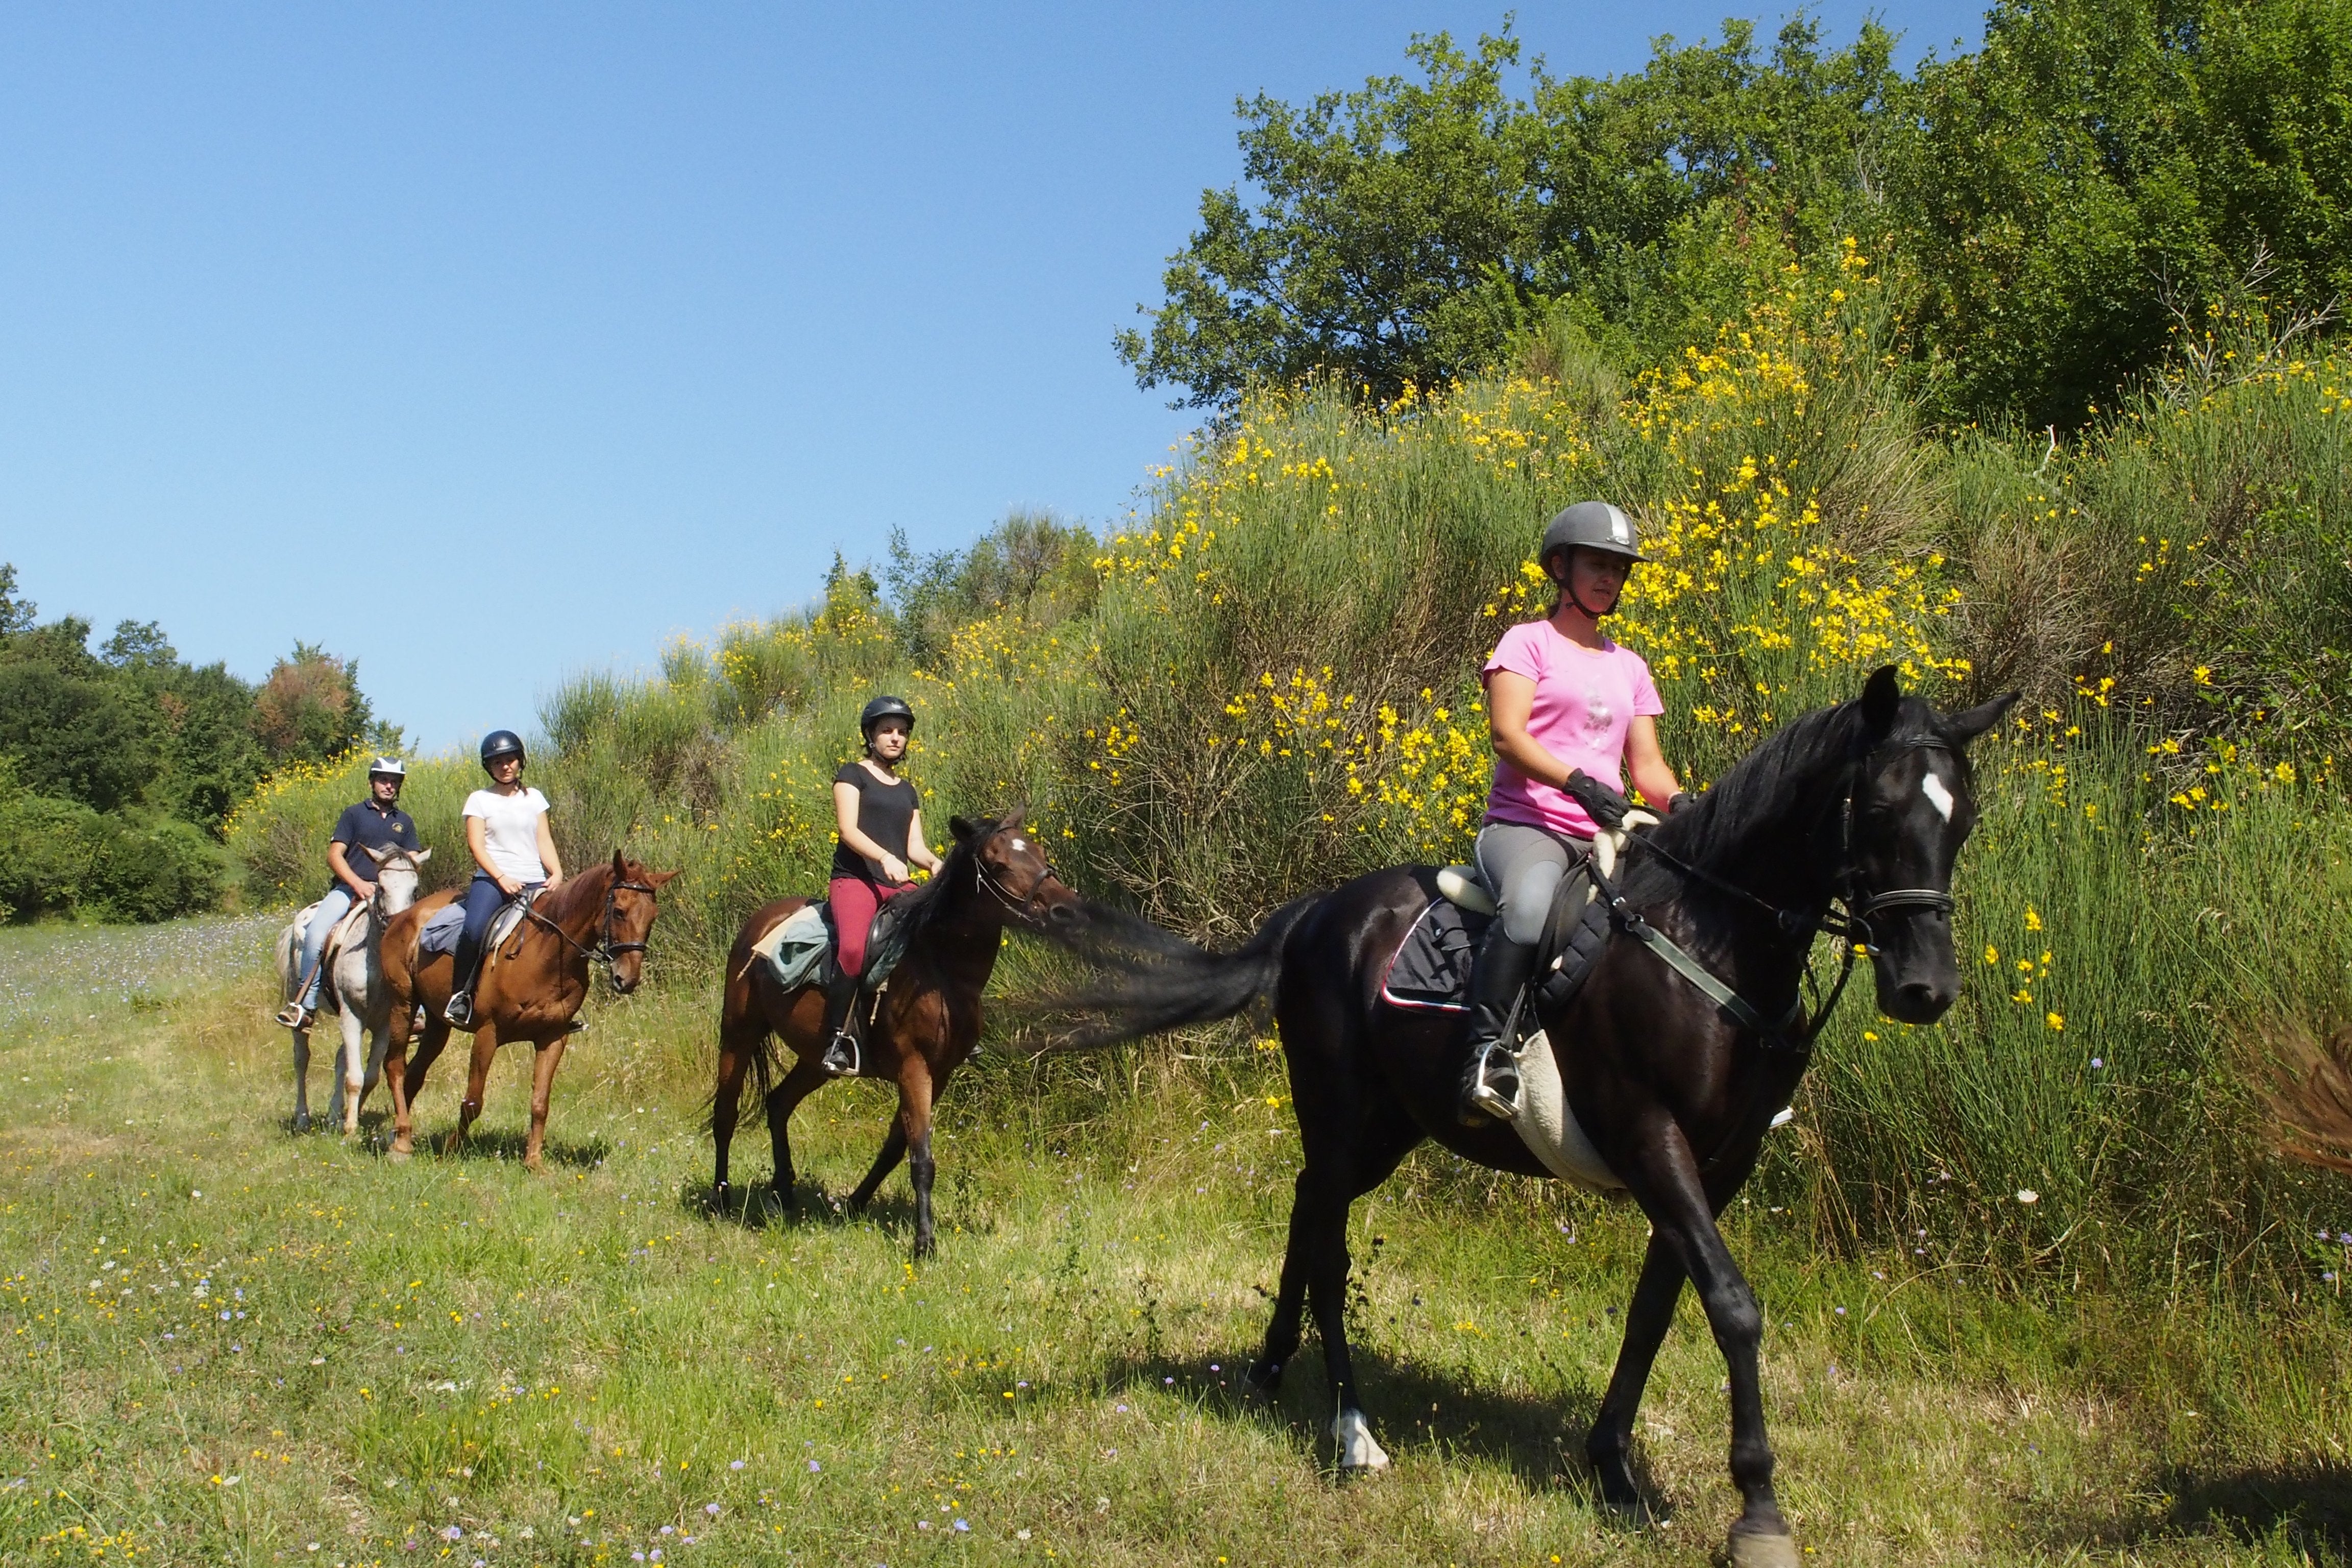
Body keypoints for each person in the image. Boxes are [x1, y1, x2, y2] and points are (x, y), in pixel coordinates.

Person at [1459, 500, 1690, 1125]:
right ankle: (1489, 1054)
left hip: (1606, 837)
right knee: (1531, 911)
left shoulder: (1630, 667)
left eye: (1619, 569)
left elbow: (1647, 767)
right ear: (1560, 567)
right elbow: (1508, 736)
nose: (1610, 578)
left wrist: (1685, 804)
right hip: (1526, 826)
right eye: (1598, 564)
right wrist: (1580, 782)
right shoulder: (1526, 643)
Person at [821, 695, 944, 1075]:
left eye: (902, 733)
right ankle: (837, 1040)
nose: (895, 738)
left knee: (938, 936)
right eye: (887, 731)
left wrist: (937, 864)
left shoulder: (907, 790)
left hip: (897, 883)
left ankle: (940, 1029)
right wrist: (884, 858)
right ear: (870, 735)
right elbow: (848, 830)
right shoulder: (851, 774)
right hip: (855, 880)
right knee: (856, 950)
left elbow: (914, 847)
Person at [277, 757, 422, 1028]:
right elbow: (335, 855)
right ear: (372, 782)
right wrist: (357, 883)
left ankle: (419, 1011)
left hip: (391, 892)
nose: (389, 786)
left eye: (394, 782)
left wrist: (408, 870)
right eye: (383, 780)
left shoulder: (405, 821)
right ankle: (304, 1005)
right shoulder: (354, 814)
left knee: (418, 939)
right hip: (350, 889)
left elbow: (412, 857)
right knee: (317, 933)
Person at [445, 730, 564, 1028]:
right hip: (493, 879)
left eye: (510, 760)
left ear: (520, 761)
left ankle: (561, 1003)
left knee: (562, 934)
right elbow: (476, 845)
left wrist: (557, 872)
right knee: (473, 931)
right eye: (497, 762)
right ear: (489, 767)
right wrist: (501, 877)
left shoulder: (534, 798)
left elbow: (543, 840)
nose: (505, 766)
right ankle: (461, 996)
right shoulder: (479, 800)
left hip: (535, 880)